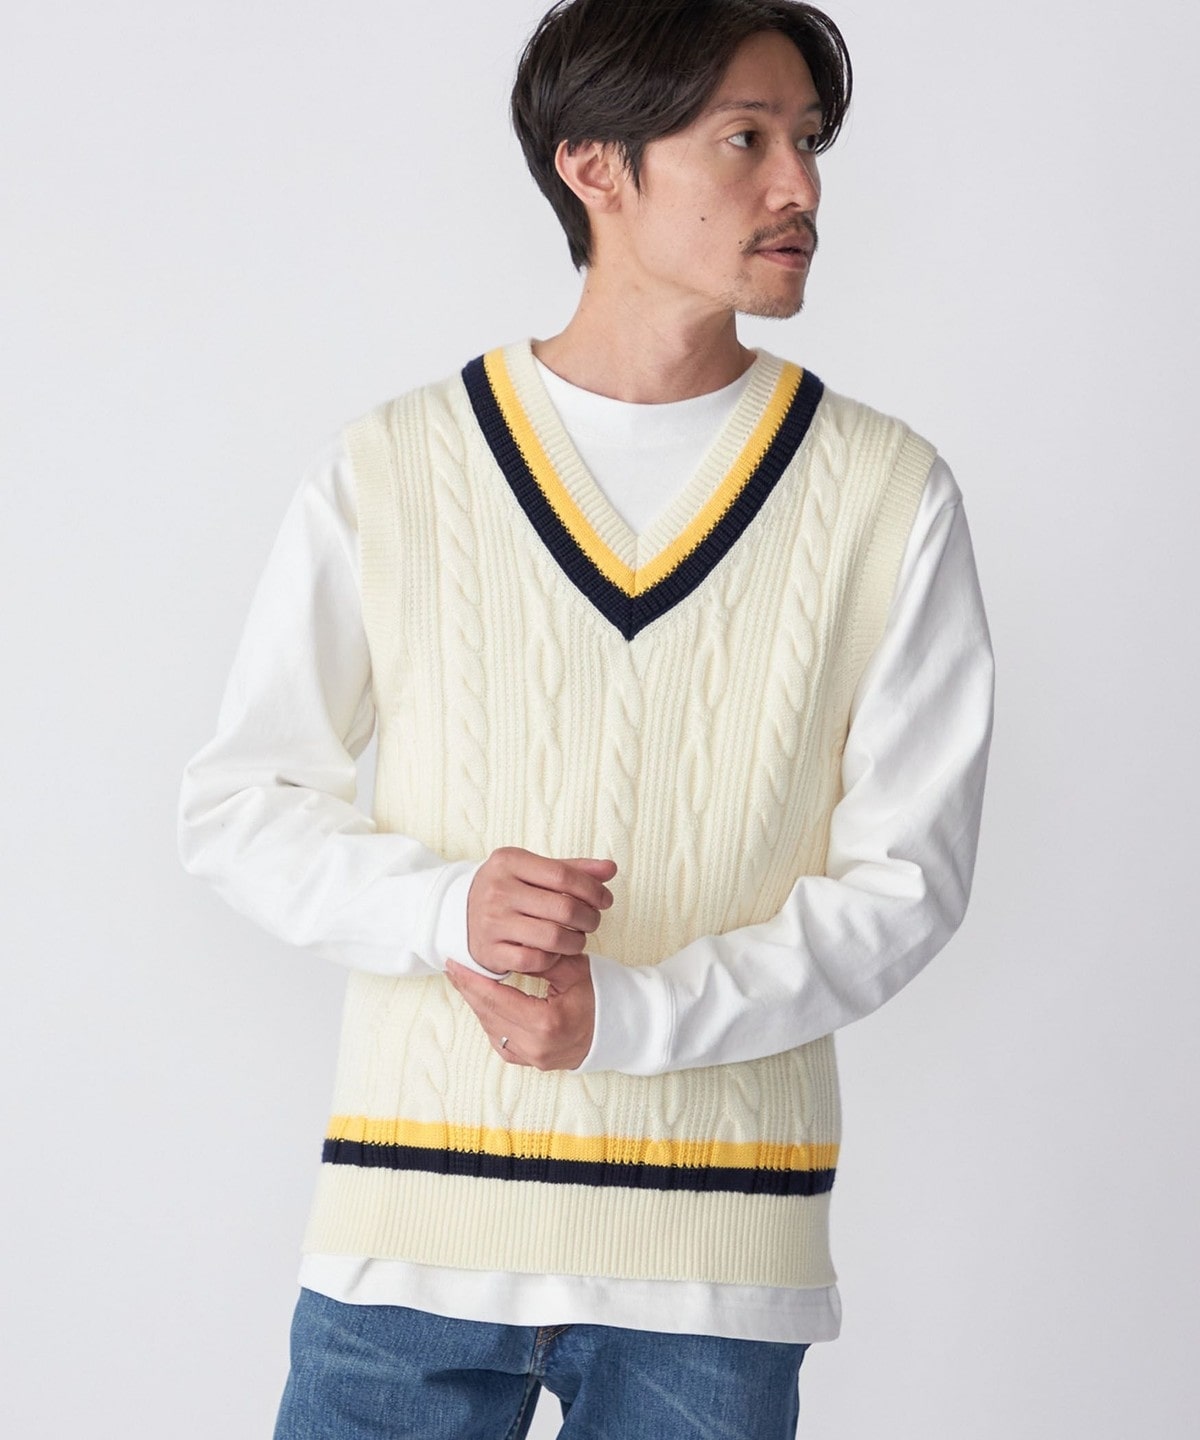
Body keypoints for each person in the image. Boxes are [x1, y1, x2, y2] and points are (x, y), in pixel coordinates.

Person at [178, 1, 994, 1435]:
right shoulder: (396, 466)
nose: (799, 186)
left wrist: (630, 1014)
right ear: (593, 165)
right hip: (410, 1239)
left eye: (808, 141)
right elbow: (241, 806)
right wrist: (447, 910)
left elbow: (906, 885)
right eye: (745, 139)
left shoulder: (886, 493)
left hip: (716, 1270)